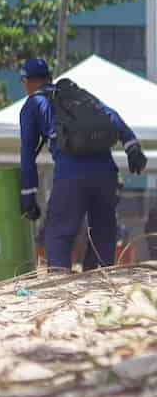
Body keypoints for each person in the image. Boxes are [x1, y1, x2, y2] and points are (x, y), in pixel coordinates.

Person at [18, 58, 148, 272]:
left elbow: (27, 154)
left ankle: (61, 279)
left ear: (28, 81)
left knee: (59, 230)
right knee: (103, 231)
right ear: (50, 78)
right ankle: (100, 278)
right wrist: (132, 147)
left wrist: (28, 194)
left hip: (71, 175)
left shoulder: (33, 104)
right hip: (106, 173)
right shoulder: (79, 96)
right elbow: (112, 115)